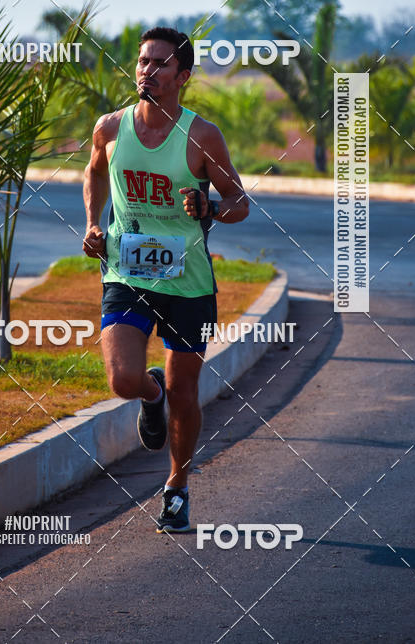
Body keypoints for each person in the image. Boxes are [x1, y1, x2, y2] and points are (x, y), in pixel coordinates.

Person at [82, 27, 249, 532]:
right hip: (126, 272)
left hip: (189, 283)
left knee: (185, 392)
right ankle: (147, 395)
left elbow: (239, 202)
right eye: (141, 62)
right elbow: (93, 173)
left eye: (159, 64)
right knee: (123, 380)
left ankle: (176, 484)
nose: (147, 72)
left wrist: (211, 206)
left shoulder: (202, 136)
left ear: (183, 76)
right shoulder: (111, 128)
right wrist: (93, 222)